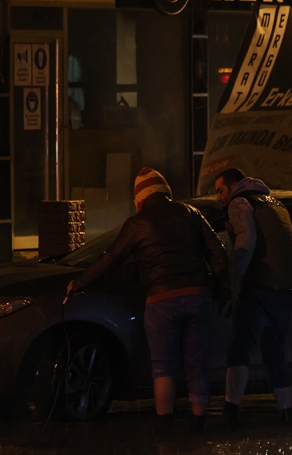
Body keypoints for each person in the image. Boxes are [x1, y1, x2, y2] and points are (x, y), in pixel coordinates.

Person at [68, 167, 228, 434]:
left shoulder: (137, 223)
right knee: (196, 364)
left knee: (163, 367)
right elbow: (219, 256)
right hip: (197, 296)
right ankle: (198, 425)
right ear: (167, 193)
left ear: (139, 199)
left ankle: (165, 429)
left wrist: (79, 283)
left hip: (161, 299)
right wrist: (219, 291)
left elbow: (110, 259)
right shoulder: (191, 214)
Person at [214, 167, 292, 430]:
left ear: (233, 186)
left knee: (239, 347)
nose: (218, 198)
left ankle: (230, 412)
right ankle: (287, 413)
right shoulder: (275, 204)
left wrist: (235, 279)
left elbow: (246, 239)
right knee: (274, 351)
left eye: (220, 190)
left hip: (262, 286)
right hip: (287, 288)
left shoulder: (240, 203)